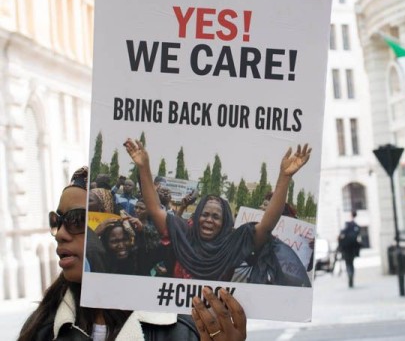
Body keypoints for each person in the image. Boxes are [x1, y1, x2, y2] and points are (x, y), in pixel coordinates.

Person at [18, 166, 247, 341]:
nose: (61, 234)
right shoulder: (43, 327)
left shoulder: (180, 330)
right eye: (56, 221)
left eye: (77, 220)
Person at [125, 138, 312, 285]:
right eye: (205, 215)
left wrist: (284, 177)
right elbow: (155, 209)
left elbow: (267, 225)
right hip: (178, 321)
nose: (209, 220)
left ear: (224, 223)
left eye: (216, 217)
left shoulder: (234, 242)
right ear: (197, 216)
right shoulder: (181, 233)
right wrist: (144, 167)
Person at [338, 210, 362, 288]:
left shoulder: (347, 224)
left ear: (351, 215)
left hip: (346, 248)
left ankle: (349, 274)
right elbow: (358, 237)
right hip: (353, 248)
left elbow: (342, 234)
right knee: (351, 263)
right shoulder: (357, 226)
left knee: (347, 263)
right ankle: (351, 274)